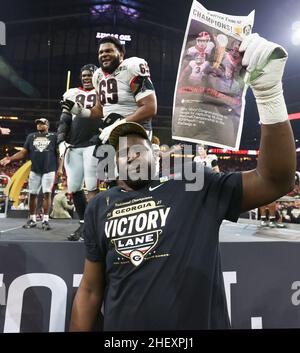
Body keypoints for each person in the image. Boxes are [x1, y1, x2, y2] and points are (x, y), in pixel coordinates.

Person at [69, 33, 296, 331]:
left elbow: (275, 180)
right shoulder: (99, 206)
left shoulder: (194, 186)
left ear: (156, 154)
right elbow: (89, 290)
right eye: (122, 151)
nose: (131, 154)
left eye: (139, 146)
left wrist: (269, 95)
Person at [61, 35, 157, 144]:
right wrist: (81, 111)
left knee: (128, 159)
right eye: (101, 52)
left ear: (121, 54)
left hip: (136, 129)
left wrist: (118, 125)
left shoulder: (131, 67)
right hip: (110, 129)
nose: (104, 55)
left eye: (109, 51)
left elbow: (150, 108)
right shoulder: (98, 76)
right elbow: (99, 110)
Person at [57, 64, 101, 241]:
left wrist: (99, 139)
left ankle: (95, 226)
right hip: (73, 145)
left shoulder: (103, 92)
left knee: (91, 186)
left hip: (91, 143)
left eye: (89, 75)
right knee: (74, 187)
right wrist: (60, 140)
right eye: (83, 75)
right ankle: (83, 224)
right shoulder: (72, 93)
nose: (86, 77)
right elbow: (64, 119)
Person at [0, 118, 57, 230]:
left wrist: (59, 168)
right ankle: (32, 219)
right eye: (38, 123)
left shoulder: (54, 136)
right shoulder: (31, 136)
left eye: (42, 123)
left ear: (47, 125)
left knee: (47, 194)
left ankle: (45, 220)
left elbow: (59, 153)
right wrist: (10, 159)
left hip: (49, 169)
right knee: (33, 194)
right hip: (35, 169)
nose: (39, 125)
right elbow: (23, 152)